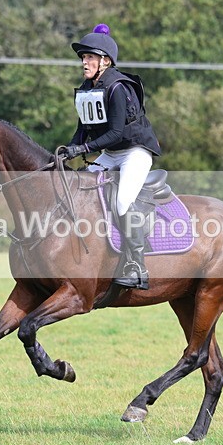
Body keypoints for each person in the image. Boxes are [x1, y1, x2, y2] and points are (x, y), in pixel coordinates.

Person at [59, 24, 162, 290]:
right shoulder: (87, 87)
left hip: (134, 153)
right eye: (83, 57)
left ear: (105, 61)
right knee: (80, 189)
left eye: (90, 57)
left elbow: (117, 132)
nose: (85, 62)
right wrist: (68, 150)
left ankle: (136, 266)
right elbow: (84, 128)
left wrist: (83, 150)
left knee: (122, 202)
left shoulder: (118, 87)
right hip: (111, 153)